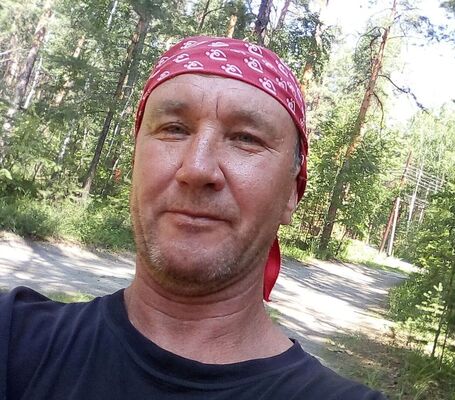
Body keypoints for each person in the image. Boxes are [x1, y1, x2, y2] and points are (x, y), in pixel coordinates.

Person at [0, 36, 386, 399]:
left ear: (291, 195)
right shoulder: (13, 335)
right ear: (135, 163)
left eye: (246, 138)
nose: (197, 169)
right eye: (174, 129)